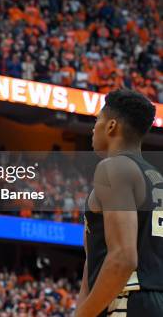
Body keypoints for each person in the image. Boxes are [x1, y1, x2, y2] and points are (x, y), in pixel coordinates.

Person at [76, 89, 163, 316]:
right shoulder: (156, 179)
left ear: (111, 126)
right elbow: (93, 261)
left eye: (97, 120)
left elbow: (123, 257)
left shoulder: (113, 168)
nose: (93, 128)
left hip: (128, 300)